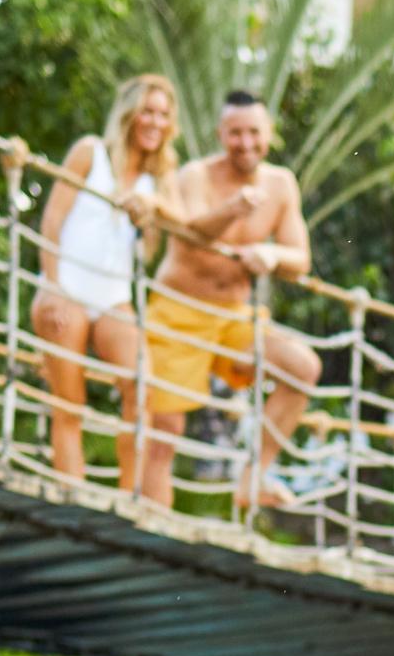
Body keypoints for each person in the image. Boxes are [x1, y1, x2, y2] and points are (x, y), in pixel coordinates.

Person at [135, 89, 321, 512]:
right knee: (165, 428)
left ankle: (253, 478)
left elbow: (301, 259)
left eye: (254, 132)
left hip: (233, 319)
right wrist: (234, 209)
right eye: (235, 133)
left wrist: (272, 255)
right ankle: (149, 525)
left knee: (302, 368)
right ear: (221, 134)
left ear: (269, 133)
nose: (246, 143)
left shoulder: (280, 185)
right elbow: (194, 232)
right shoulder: (196, 175)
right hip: (179, 312)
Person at [32, 73, 175, 486]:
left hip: (114, 298)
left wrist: (151, 212)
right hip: (66, 290)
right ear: (130, 113)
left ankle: (126, 498)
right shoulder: (89, 152)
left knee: (142, 388)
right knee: (69, 404)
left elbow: (150, 250)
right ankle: (72, 494)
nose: (155, 122)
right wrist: (52, 286)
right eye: (147, 111)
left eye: (164, 114)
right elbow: (53, 220)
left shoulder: (157, 180)